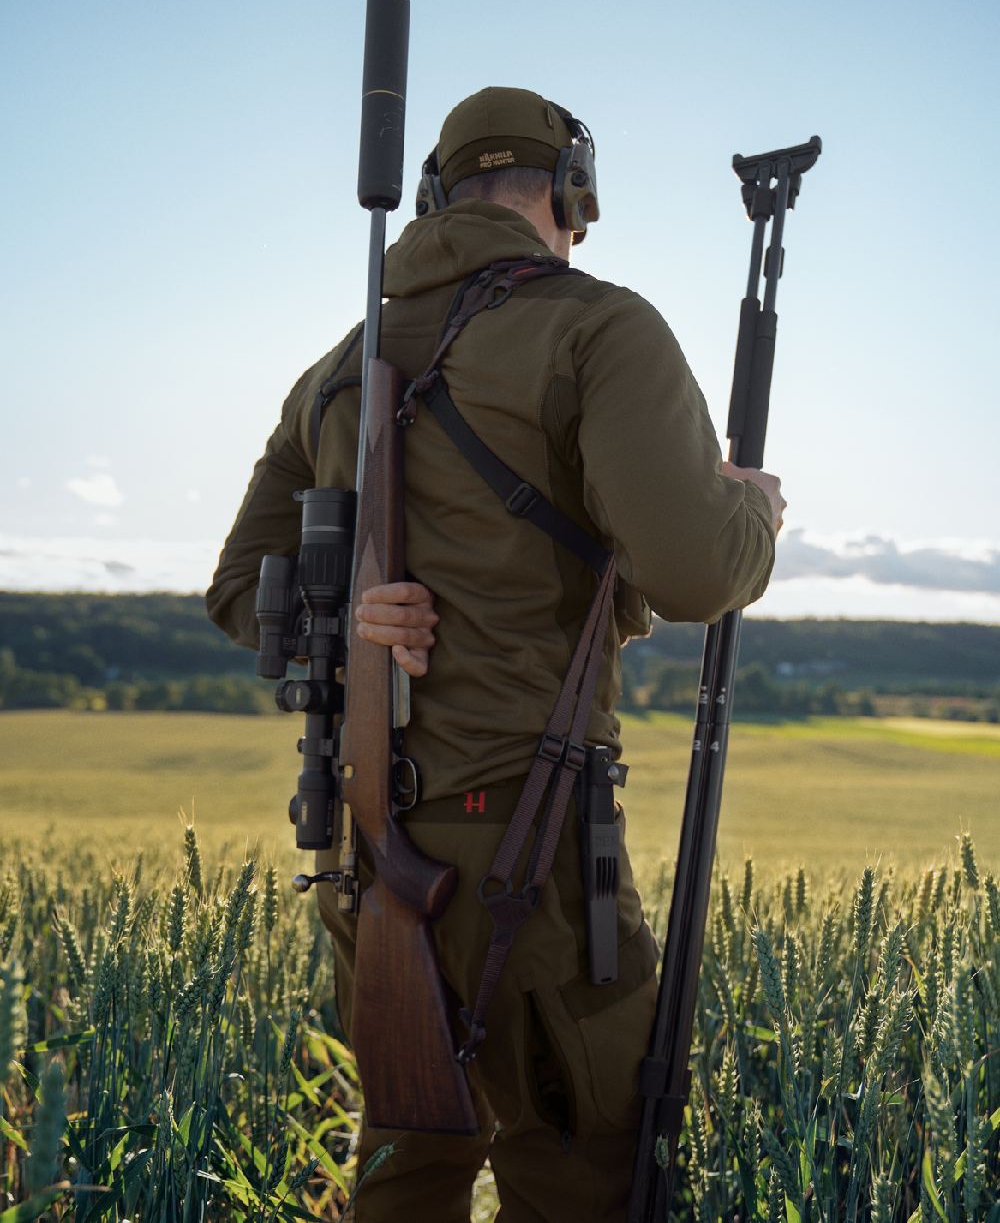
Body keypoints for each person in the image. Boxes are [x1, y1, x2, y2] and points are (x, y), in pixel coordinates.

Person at [206, 86, 784, 1223]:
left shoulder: (336, 369)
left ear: (435, 196)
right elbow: (695, 573)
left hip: (369, 848)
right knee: (582, 1165)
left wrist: (352, 614)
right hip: (533, 846)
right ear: (572, 194)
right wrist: (750, 513)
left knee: (408, 1164)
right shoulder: (598, 326)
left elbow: (240, 591)